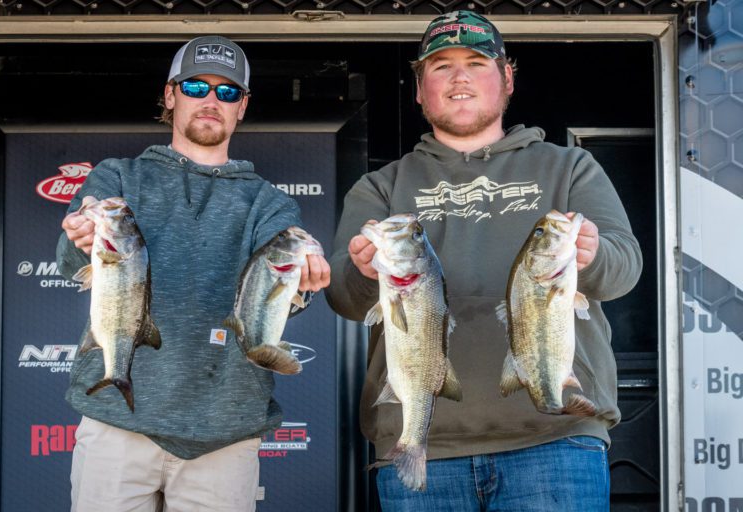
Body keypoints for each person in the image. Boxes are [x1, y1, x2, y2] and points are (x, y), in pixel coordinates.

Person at [326, 11, 642, 511]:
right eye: (441, 66)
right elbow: (343, 297)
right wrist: (363, 273)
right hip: (422, 441)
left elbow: (625, 268)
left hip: (556, 437)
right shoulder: (381, 187)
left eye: (476, 63)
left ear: (507, 78)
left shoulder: (569, 167)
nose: (460, 78)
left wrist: (593, 253)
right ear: (419, 88)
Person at [57, 35, 330, 512]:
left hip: (225, 432)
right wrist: (80, 237)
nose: (211, 100)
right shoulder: (118, 177)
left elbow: (274, 296)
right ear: (170, 95)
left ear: (242, 106)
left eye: (227, 91)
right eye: (196, 86)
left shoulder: (270, 203)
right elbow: (71, 262)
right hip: (116, 423)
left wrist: (301, 284)